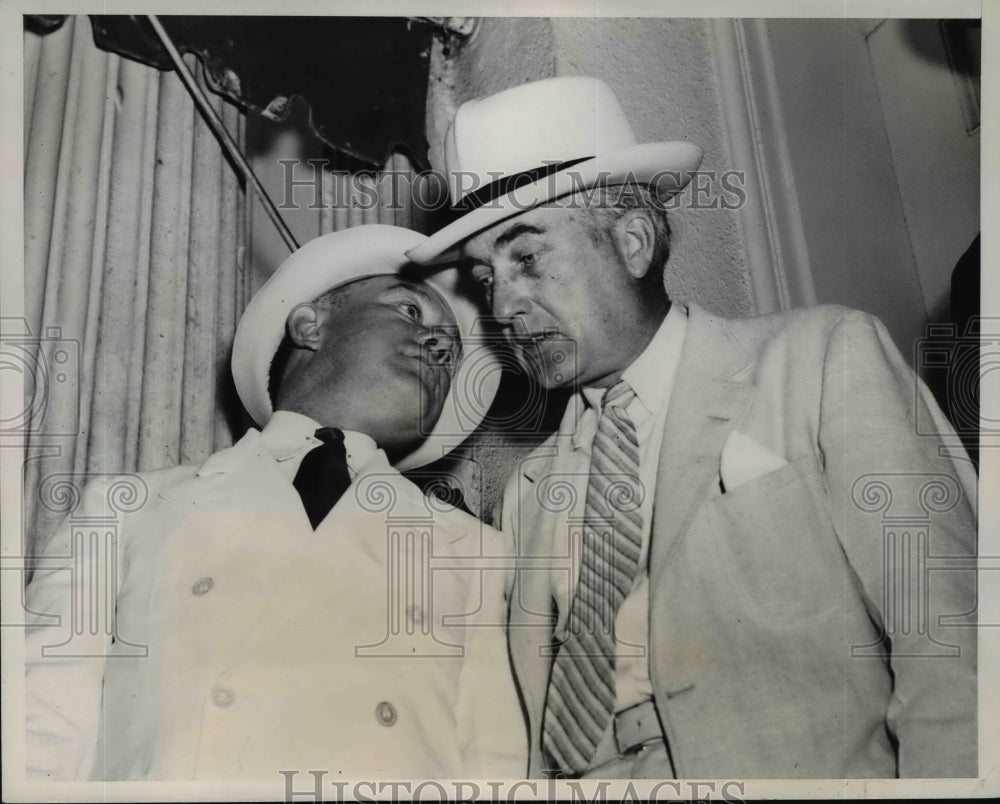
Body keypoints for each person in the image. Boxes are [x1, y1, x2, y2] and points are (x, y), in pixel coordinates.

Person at [407, 76, 978, 779]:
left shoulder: (821, 358)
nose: (506, 307)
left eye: (526, 258)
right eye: (487, 278)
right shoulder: (529, 487)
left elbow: (955, 642)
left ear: (634, 241)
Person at [24, 224, 526, 781]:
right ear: (310, 324)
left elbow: (496, 770)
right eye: (410, 312)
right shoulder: (128, 506)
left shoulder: (478, 552)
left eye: (450, 351)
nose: (438, 346)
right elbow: (40, 728)